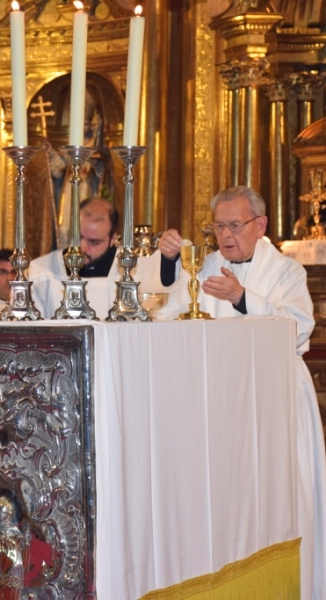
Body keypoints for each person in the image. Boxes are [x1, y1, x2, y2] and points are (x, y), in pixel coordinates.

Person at [158, 185, 326, 600]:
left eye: (235, 224)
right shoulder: (202, 267)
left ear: (260, 225)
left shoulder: (287, 271)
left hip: (277, 404)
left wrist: (242, 298)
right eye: (219, 226)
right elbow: (163, 313)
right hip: (214, 406)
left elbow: (298, 327)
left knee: (283, 500)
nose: (226, 234)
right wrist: (166, 260)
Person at [28, 197, 166, 318]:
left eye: (93, 242)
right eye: (78, 237)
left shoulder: (135, 271)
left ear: (113, 239)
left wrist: (170, 257)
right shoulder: (39, 272)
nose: (81, 248)